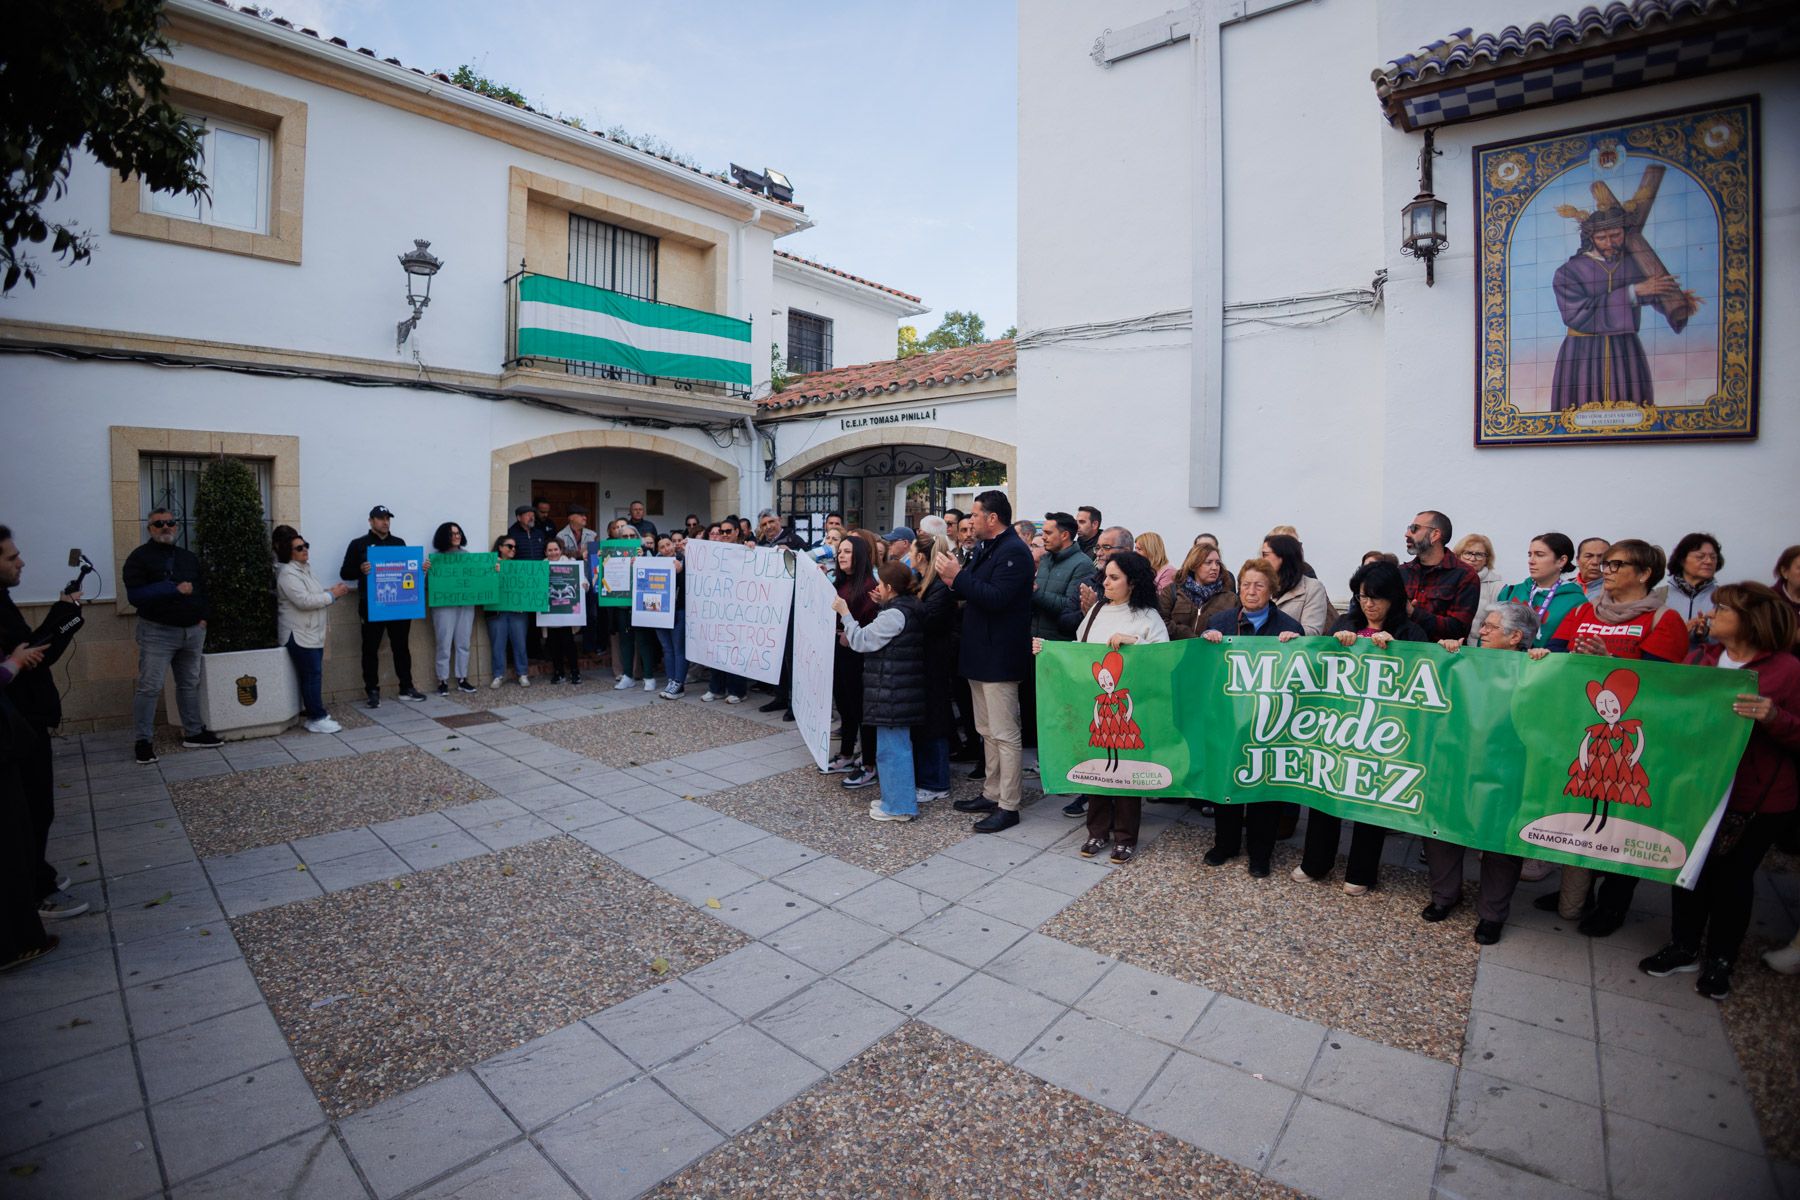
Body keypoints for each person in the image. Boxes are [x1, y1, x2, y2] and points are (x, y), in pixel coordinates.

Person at [1638, 582, 1800, 1000]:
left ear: (1750, 620)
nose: (1712, 615)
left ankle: (1722, 959)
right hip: (1699, 788)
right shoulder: (1702, 656)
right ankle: (1684, 946)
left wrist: (1774, 717)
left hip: (1756, 798)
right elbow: (1664, 700)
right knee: (1688, 867)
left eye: (1723, 609)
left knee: (1733, 879)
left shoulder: (1787, 669)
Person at [1542, 537, 1689, 936]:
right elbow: (1555, 654)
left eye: (1616, 565)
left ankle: (1613, 903)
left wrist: (1611, 661)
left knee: (1624, 819)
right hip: (1580, 729)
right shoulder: (1583, 610)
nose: (1605, 571)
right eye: (1604, 564)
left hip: (1631, 742)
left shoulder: (1664, 621)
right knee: (1582, 813)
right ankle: (1575, 891)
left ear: (1644, 573)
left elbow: (1665, 687)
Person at [1414, 603, 1547, 944]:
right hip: (1456, 758)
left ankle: (1492, 914)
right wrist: (1445, 654)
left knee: (1501, 842)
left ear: (1516, 637)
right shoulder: (1464, 658)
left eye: (1490, 626)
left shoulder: (1537, 667)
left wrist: (1549, 664)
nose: (1481, 631)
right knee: (1443, 827)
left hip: (1506, 766)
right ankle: (1444, 896)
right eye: (1483, 625)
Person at [1295, 561, 1430, 895]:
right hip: (1339, 727)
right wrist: (1336, 643)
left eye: (1377, 597)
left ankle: (1361, 871)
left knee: (1371, 797)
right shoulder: (1346, 622)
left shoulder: (1409, 633)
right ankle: (1316, 862)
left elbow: (1423, 681)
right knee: (1325, 792)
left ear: (1394, 598)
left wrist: (1399, 653)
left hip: (1383, 731)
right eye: (1363, 596)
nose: (1369, 604)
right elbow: (1319, 667)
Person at [1052, 550, 1169, 864]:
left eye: (1114, 577)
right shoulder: (1097, 611)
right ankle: (1097, 830)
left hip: (1132, 708)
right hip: (1096, 705)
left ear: (1133, 582)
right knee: (1098, 768)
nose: (1106, 582)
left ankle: (1126, 836)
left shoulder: (1147, 617)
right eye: (1105, 576)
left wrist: (1135, 643)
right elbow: (1080, 650)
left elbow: (1163, 660)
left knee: (1127, 772)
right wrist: (1048, 651)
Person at [0, 526, 89, 927]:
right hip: (15, 726)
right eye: (11, 557)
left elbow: (32, 651)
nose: (21, 562)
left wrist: (65, 613)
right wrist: (63, 617)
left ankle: (36, 874)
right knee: (31, 809)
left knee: (37, 809)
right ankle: (35, 889)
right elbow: (31, 657)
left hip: (25, 722)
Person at [935, 490, 1033, 833]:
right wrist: (951, 578)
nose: (970, 521)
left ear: (992, 518)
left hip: (1000, 655)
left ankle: (1009, 804)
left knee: (1005, 733)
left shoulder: (1015, 552)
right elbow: (969, 589)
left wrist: (958, 575)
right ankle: (991, 792)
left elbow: (996, 598)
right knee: (986, 730)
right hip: (979, 652)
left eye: (975, 515)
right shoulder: (986, 547)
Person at [1199, 558, 1304, 876]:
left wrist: (1297, 647)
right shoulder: (1220, 620)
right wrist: (1207, 643)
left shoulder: (1288, 627)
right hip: (1229, 719)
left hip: (1269, 723)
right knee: (1226, 781)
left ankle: (1261, 853)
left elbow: (1301, 675)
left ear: (1272, 589)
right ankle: (1225, 844)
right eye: (1245, 584)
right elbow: (1202, 670)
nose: (1251, 590)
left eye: (1259, 585)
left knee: (1264, 788)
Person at [1549, 203, 1696, 412]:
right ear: (1591, 239)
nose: (1610, 243)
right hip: (1584, 353)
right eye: (1602, 238)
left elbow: (1652, 294)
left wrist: (1676, 304)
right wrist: (1633, 292)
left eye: (1616, 235)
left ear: (1624, 234)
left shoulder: (1633, 264)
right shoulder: (1569, 272)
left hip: (1625, 349)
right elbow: (1576, 313)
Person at [122, 508, 222, 762]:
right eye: (159, 524)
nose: (165, 527)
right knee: (149, 687)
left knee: (189, 683)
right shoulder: (139, 558)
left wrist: (203, 618)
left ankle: (193, 732)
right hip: (157, 632)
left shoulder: (188, 557)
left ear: (176, 527)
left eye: (170, 523)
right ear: (150, 529)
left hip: (192, 631)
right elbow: (135, 596)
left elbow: (203, 589)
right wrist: (171, 589)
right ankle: (143, 741)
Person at [833, 561, 927, 823]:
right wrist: (882, 604)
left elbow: (862, 640)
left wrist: (845, 613)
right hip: (896, 689)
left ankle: (899, 807)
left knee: (892, 750)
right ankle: (894, 800)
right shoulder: (905, 606)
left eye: (880, 585)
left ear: (888, 587)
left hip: (893, 691)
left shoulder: (894, 614)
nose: (876, 589)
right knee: (894, 748)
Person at [340, 505, 425, 708]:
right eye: (380, 518)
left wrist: (420, 569)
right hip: (372, 605)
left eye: (387, 518)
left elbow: (408, 572)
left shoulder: (399, 543)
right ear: (371, 521)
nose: (385, 522)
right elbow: (345, 573)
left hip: (399, 605)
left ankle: (406, 687)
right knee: (370, 649)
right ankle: (372, 690)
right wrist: (361, 569)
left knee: (401, 647)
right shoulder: (359, 544)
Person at [273, 525, 351, 733]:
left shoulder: (305, 570)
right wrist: (333, 595)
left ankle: (313, 713)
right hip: (299, 634)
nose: (305, 550)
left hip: (310, 632)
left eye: (305, 545)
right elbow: (304, 601)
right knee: (311, 675)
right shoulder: (288, 574)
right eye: (299, 548)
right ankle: (316, 717)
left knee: (312, 674)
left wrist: (329, 593)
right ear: (288, 552)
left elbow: (314, 595)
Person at [825, 534, 879, 779]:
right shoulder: (839, 582)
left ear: (859, 555)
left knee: (860, 709)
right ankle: (846, 753)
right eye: (840, 551)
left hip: (858, 655)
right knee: (845, 706)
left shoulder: (868, 586)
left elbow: (870, 624)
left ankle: (868, 763)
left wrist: (850, 632)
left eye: (847, 551)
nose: (841, 555)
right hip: (838, 650)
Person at [1478, 532, 1586, 651]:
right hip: (1505, 663)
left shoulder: (1576, 601)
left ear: (1561, 560)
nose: (1531, 561)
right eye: (1530, 554)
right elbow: (1487, 631)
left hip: (1544, 666)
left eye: (1539, 555)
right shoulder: (1511, 591)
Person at [913, 533, 957, 804]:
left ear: (920, 556)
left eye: (913, 551)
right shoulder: (923, 583)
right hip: (926, 661)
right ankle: (928, 776)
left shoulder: (938, 588)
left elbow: (927, 622)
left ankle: (937, 781)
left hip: (936, 663)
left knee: (935, 721)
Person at [1400, 510, 1481, 641]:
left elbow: (1458, 630)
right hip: (1401, 656)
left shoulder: (1465, 575)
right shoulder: (1402, 572)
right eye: (1408, 528)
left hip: (1440, 659)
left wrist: (1413, 613)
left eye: (1414, 528)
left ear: (1435, 535)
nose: (1407, 534)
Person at [425, 521, 480, 695]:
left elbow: (479, 579)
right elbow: (428, 585)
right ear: (443, 537)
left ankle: (462, 678)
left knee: (464, 642)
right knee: (444, 642)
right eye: (452, 534)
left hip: (465, 604)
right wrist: (425, 571)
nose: (456, 536)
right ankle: (442, 680)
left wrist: (492, 570)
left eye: (458, 533)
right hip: (443, 606)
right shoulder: (436, 560)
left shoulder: (468, 557)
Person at [1031, 512, 1092, 643]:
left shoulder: (1083, 564)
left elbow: (1071, 606)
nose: (1043, 537)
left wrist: (1035, 593)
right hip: (1035, 642)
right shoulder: (1046, 560)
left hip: (1059, 645)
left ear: (1064, 535)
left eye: (1048, 533)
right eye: (1043, 533)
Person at [1159, 541, 1237, 639]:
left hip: (1213, 652)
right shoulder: (1172, 591)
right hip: (1176, 651)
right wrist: (1192, 638)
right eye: (1208, 563)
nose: (1215, 567)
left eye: (1217, 563)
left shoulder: (1230, 599)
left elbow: (1234, 629)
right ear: (1194, 565)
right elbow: (1160, 622)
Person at [1263, 533, 1329, 636]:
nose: (1261, 560)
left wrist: (1294, 634)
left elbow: (1313, 631)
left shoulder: (1312, 588)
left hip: (1291, 649)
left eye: (1265, 555)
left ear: (1283, 556)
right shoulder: (1260, 585)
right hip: (1258, 649)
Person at [1665, 531, 1723, 648]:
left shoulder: (1724, 598)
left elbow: (1733, 641)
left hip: (1707, 664)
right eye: (1700, 557)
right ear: (1682, 560)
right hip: (1668, 664)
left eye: (1713, 557)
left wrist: (1705, 634)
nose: (1709, 561)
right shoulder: (1660, 595)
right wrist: (1681, 633)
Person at [488, 535, 530, 688]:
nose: (513, 549)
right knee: (498, 644)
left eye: (515, 547)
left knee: (520, 643)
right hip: (497, 611)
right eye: (509, 546)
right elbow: (483, 584)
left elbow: (526, 587)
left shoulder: (519, 566)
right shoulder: (490, 564)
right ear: (500, 547)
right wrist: (494, 572)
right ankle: (498, 675)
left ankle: (522, 673)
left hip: (517, 610)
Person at [541, 539, 584, 684]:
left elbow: (583, 581)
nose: (553, 553)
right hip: (550, 615)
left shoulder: (571, 564)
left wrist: (585, 584)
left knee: (569, 644)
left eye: (556, 549)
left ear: (561, 550)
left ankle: (575, 672)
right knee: (554, 645)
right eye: (550, 550)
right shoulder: (541, 566)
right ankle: (558, 672)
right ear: (546, 552)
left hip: (566, 613)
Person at [654, 535, 689, 699]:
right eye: (662, 547)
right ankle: (671, 680)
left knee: (678, 647)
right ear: (658, 550)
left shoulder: (683, 561)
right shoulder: (653, 564)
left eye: (668, 544)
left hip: (679, 610)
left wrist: (681, 571)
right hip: (659, 611)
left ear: (673, 546)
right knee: (666, 648)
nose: (666, 548)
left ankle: (679, 683)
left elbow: (688, 585)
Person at [1454, 534, 1505, 620]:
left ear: (1487, 559)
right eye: (1468, 553)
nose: (1472, 559)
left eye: (1479, 555)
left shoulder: (1497, 587)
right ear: (1458, 556)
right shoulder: (1448, 580)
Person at [1576, 536, 1611, 601]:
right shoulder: (1564, 588)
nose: (1595, 562)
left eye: (1601, 557)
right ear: (1577, 560)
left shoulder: (1615, 592)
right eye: (1589, 556)